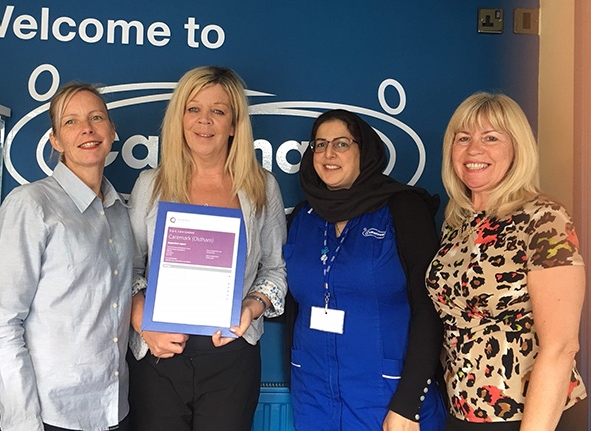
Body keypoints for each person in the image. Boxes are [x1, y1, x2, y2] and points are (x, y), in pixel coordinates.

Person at [127, 65, 287, 431]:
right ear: (179, 117)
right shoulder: (150, 185)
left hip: (231, 356)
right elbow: (129, 268)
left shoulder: (261, 187)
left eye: (218, 111)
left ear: (234, 124)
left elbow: (275, 268)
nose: (205, 121)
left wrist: (253, 305)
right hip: (158, 355)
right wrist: (142, 322)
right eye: (193, 108)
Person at [426, 92, 588, 431]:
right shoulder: (456, 224)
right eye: (463, 138)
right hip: (461, 412)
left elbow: (561, 346)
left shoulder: (544, 219)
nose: (474, 150)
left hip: (528, 416)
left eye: (491, 138)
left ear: (517, 148)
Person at [0, 82, 133, 431]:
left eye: (97, 118)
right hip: (47, 414)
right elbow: (3, 324)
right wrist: (22, 422)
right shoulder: (31, 205)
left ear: (112, 132)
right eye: (71, 122)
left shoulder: (119, 213)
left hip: (112, 409)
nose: (87, 129)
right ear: (55, 140)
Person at [283, 109, 446, 430]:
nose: (328, 154)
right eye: (320, 144)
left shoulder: (403, 208)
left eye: (342, 144)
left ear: (364, 151)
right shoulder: (304, 216)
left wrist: (409, 402)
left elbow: (430, 309)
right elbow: (291, 304)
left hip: (387, 395)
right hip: (314, 395)